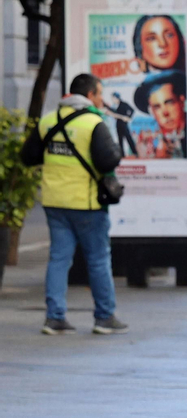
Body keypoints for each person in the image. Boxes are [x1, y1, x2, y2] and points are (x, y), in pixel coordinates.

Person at [20, 73, 127, 335]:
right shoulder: (94, 123)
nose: (102, 99)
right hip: (87, 203)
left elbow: (28, 156)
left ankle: (54, 317)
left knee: (59, 258)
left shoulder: (48, 121)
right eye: (99, 93)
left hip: (55, 202)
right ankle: (104, 317)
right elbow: (107, 162)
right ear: (89, 95)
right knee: (98, 260)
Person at [134, 70, 187, 159]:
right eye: (157, 107)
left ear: (182, 101)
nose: (165, 113)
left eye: (170, 102)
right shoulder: (151, 142)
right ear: (151, 111)